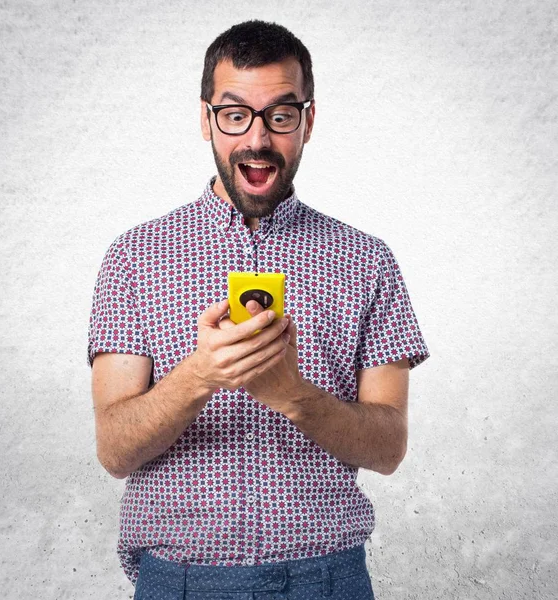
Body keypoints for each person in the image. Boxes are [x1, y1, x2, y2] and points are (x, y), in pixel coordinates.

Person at [87, 19, 429, 600]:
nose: (257, 139)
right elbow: (115, 450)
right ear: (206, 120)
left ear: (308, 121)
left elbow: (389, 447)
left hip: (329, 579)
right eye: (235, 114)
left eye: (281, 114)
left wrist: (293, 393)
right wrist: (201, 375)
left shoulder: (368, 260)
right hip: (181, 581)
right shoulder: (135, 257)